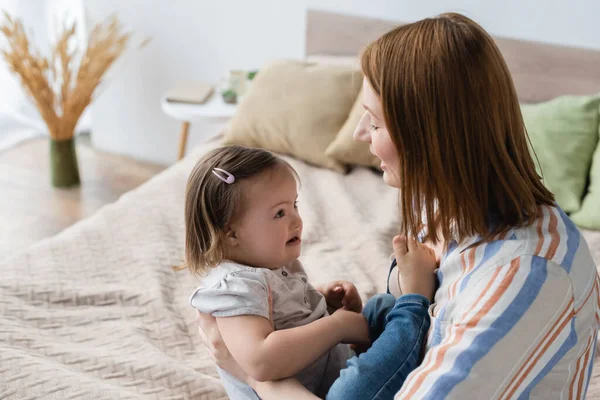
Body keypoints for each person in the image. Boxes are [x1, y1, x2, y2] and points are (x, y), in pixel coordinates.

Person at [197, 13, 600, 399]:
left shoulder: (521, 278)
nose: (358, 133)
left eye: (374, 122)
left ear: (429, 138)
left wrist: (252, 376)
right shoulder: (441, 202)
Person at [183, 145, 437, 399]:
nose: (296, 220)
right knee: (357, 381)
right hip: (323, 393)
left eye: (294, 205)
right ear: (232, 233)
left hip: (335, 367)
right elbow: (261, 361)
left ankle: (410, 334)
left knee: (381, 306)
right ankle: (415, 306)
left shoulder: (272, 260)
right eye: (279, 213)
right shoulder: (233, 287)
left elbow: (280, 315)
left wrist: (322, 299)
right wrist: (336, 326)